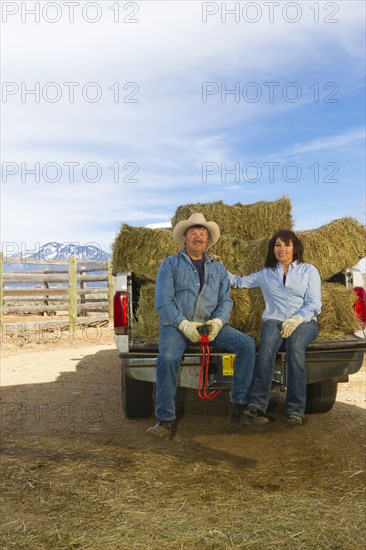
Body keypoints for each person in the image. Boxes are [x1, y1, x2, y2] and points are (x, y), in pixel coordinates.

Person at [147, 213, 256, 439]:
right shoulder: (169, 265)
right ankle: (165, 421)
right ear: (185, 238)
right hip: (177, 325)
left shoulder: (218, 269)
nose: (198, 237)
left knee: (247, 345)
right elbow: (163, 301)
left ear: (208, 240)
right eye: (193, 233)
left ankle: (238, 407)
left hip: (209, 324)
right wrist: (184, 324)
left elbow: (226, 300)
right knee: (167, 358)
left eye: (203, 234)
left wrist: (217, 322)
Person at [228, 229, 321, 426]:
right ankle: (256, 405)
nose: (282, 249)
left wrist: (297, 319)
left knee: (295, 347)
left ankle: (295, 411)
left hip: (304, 322)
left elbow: (314, 303)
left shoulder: (308, 270)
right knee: (266, 347)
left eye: (287, 245)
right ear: (273, 249)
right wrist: (217, 268)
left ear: (294, 248)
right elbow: (239, 282)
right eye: (278, 245)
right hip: (274, 320)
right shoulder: (266, 274)